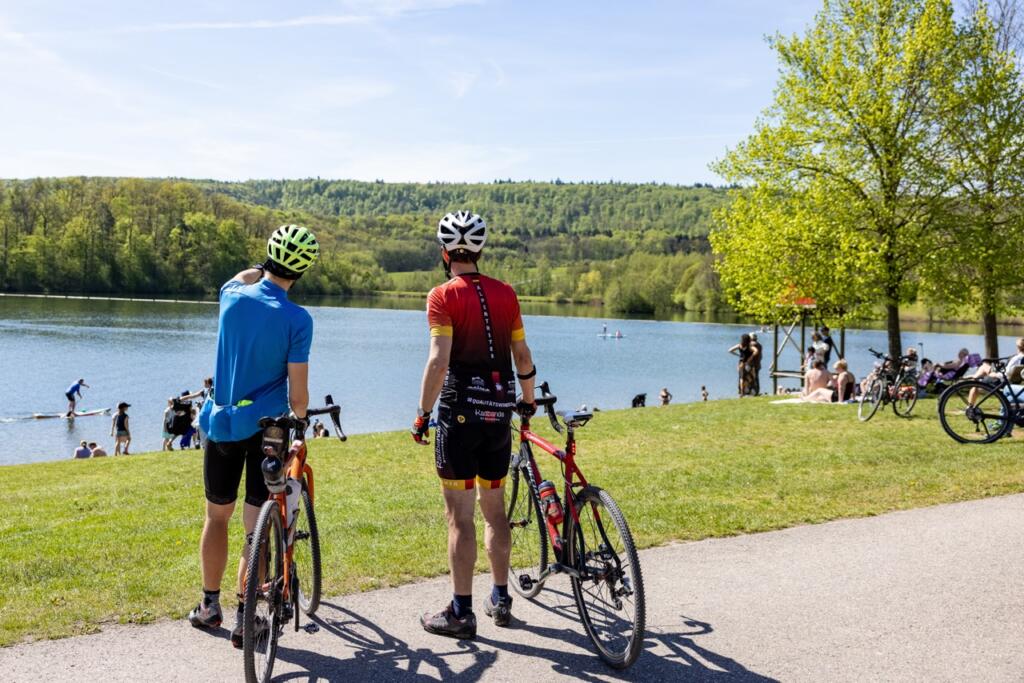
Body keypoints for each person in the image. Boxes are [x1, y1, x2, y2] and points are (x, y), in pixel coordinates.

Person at [188, 224, 319, 649]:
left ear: (267, 258)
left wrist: (259, 269)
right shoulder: (298, 319)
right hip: (268, 431)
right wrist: (301, 422)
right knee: (255, 529)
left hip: (221, 424)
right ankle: (248, 616)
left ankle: (209, 606)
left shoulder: (231, 296)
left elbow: (241, 277)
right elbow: (298, 396)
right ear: (302, 272)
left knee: (216, 517)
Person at [411, 211, 536, 640]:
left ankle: (461, 612)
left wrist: (422, 413)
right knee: (495, 510)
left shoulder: (442, 296)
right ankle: (501, 597)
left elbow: (438, 360)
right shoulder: (507, 294)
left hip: (459, 417)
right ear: (480, 251)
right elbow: (522, 358)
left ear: (445, 254)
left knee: (459, 518)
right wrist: (530, 400)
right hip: (499, 414)